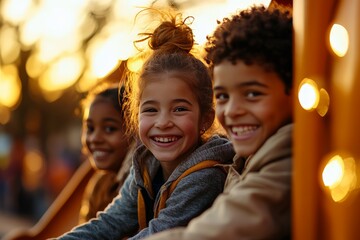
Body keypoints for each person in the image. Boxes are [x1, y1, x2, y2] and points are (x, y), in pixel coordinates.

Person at [53, 8, 235, 240]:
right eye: (150, 110)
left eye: (179, 109)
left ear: (206, 119)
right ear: (135, 115)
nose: (163, 122)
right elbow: (111, 222)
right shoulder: (145, 163)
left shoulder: (206, 175)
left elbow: (157, 234)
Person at [145, 3, 293, 240]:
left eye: (253, 94)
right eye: (223, 96)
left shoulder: (288, 158)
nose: (233, 110)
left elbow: (217, 232)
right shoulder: (245, 157)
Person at [78, 82, 136, 223]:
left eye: (109, 129)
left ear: (135, 132)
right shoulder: (99, 185)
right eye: (90, 128)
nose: (95, 139)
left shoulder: (138, 186)